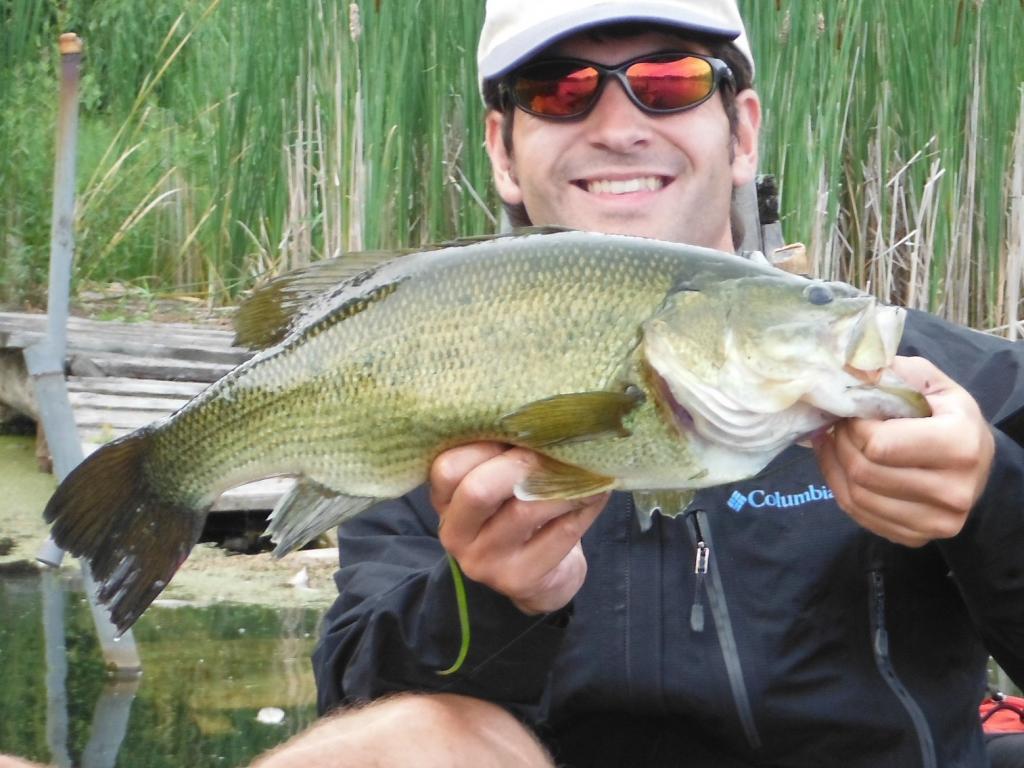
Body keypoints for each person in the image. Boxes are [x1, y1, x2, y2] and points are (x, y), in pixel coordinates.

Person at [252, 1, 1024, 766]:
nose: (617, 127)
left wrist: (991, 496)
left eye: (669, 82)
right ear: (503, 151)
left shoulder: (960, 386)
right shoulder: (421, 373)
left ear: (743, 131)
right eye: (560, 90)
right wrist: (492, 600)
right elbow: (354, 702)